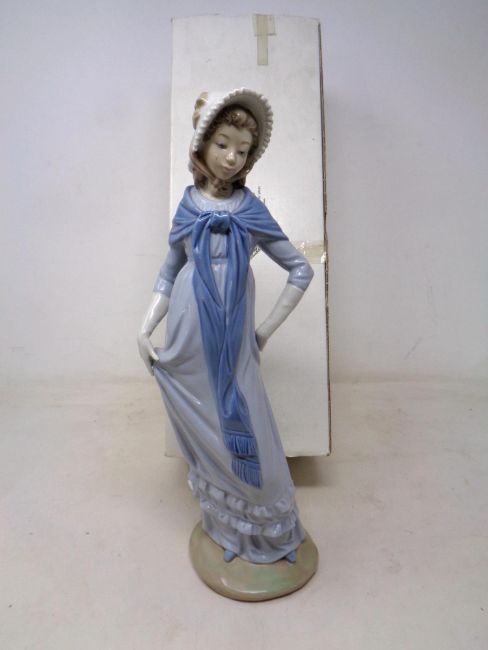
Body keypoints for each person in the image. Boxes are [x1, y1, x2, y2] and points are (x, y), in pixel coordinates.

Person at [137, 88, 314, 564]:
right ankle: (226, 529)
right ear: (202, 145)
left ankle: (267, 533)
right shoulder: (188, 205)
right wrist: (145, 327)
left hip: (234, 340)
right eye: (223, 144)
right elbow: (169, 272)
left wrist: (264, 331)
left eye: (243, 149)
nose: (233, 157)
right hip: (188, 334)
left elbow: (300, 269)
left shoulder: (250, 210)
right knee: (207, 427)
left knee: (249, 430)